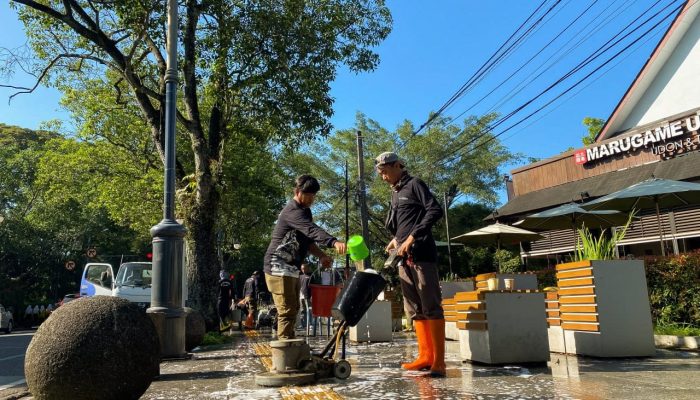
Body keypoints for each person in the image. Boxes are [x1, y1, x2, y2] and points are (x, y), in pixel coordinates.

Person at [376, 151, 446, 377]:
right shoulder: (396, 193)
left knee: (431, 305)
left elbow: (435, 210)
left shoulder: (415, 184)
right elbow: (404, 223)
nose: (383, 177)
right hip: (402, 258)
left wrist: (411, 238)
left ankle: (439, 362)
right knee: (414, 309)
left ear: (397, 166)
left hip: (422, 255)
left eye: (385, 172)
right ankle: (425, 357)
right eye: (381, 173)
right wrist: (396, 239)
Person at [263, 174, 347, 339]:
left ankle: (289, 345)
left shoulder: (305, 212)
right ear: (297, 191)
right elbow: (312, 230)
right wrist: (333, 242)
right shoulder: (292, 211)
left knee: (294, 309)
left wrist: (322, 256)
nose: (311, 198)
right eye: (308, 194)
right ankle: (284, 354)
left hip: (292, 268)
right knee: (287, 310)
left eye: (314, 195)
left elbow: (308, 241)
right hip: (277, 265)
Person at [298, 264, 312, 330]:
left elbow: (313, 287)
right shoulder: (300, 276)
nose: (303, 270)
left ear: (307, 268)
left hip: (308, 296)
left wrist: (312, 296)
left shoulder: (311, 276)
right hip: (301, 296)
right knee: (302, 310)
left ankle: (310, 324)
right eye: (302, 269)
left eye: (304, 268)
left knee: (309, 310)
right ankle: (303, 324)